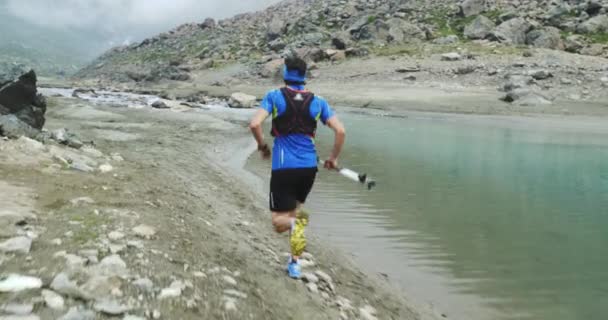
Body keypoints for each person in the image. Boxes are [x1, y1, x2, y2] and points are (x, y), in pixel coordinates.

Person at [248, 56, 346, 279]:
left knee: (280, 222)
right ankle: (294, 263)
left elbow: (254, 124)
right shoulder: (318, 101)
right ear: (304, 76)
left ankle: (297, 226)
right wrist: (333, 158)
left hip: (284, 167)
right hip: (309, 168)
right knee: (296, 214)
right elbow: (341, 131)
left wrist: (263, 146)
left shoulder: (274, 97)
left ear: (285, 73)